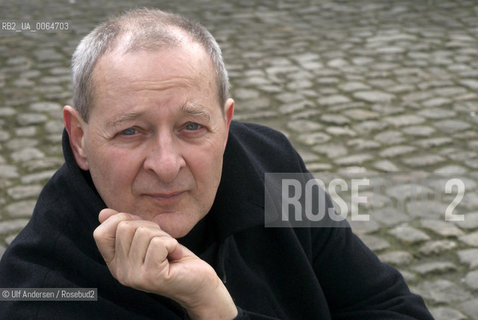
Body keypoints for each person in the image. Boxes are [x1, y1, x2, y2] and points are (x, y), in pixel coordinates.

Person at [0, 8, 434, 320]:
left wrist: (215, 308)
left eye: (192, 126)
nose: (167, 165)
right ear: (80, 138)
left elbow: (392, 307)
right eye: (131, 131)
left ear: (226, 125)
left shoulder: (271, 162)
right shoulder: (37, 294)